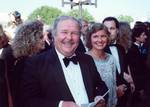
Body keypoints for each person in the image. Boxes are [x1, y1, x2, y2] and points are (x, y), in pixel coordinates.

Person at [18, 16, 108, 107]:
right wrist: (59, 105)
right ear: (54, 35)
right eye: (64, 32)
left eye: (74, 33)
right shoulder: (36, 63)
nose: (69, 37)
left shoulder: (87, 59)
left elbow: (101, 86)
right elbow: (27, 101)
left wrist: (99, 97)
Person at [10, 19, 45, 107]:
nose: (44, 39)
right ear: (30, 40)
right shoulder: (23, 64)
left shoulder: (34, 59)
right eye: (40, 37)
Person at [86, 23, 117, 107]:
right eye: (95, 36)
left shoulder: (111, 59)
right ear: (89, 39)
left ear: (107, 38)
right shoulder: (84, 59)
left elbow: (113, 84)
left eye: (103, 36)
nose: (100, 40)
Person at [102, 17, 131, 107]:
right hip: (107, 97)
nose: (109, 31)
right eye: (106, 29)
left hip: (124, 94)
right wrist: (115, 90)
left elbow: (123, 68)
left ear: (117, 30)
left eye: (112, 28)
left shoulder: (121, 48)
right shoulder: (99, 49)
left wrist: (129, 83)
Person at [127, 23, 148, 107]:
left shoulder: (142, 47)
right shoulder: (132, 50)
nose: (145, 37)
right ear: (136, 37)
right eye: (143, 35)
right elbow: (135, 69)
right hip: (137, 85)